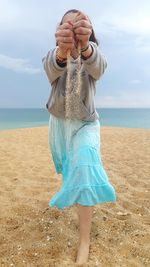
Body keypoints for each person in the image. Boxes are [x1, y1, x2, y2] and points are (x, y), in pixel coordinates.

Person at [42, 9, 117, 265]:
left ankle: (84, 240)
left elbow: (100, 67)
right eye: (67, 25)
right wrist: (62, 53)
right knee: (71, 170)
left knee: (84, 166)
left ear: (88, 30)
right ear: (59, 32)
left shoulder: (93, 55)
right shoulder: (53, 56)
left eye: (80, 24)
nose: (73, 29)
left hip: (86, 124)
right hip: (60, 125)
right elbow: (50, 69)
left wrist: (86, 48)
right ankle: (74, 197)